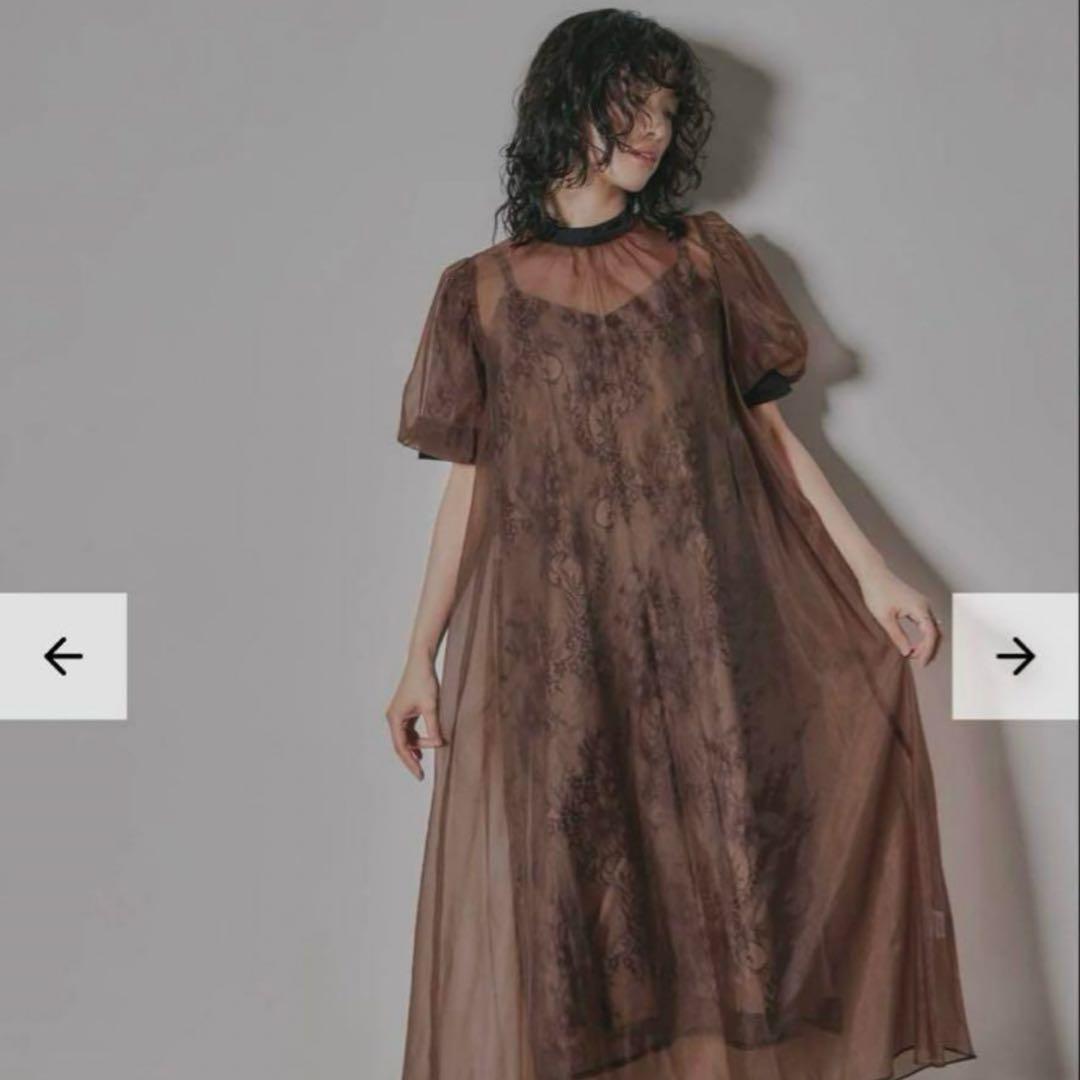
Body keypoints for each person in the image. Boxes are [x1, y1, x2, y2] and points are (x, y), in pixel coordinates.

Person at [385, 9, 977, 1079]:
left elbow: (771, 436)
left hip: (710, 628)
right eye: (632, 103)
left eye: (666, 107)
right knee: (582, 909)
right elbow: (473, 486)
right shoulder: (478, 293)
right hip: (560, 648)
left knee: (733, 888)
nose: (654, 128)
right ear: (568, 104)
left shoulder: (704, 259)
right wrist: (418, 655)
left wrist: (873, 573)